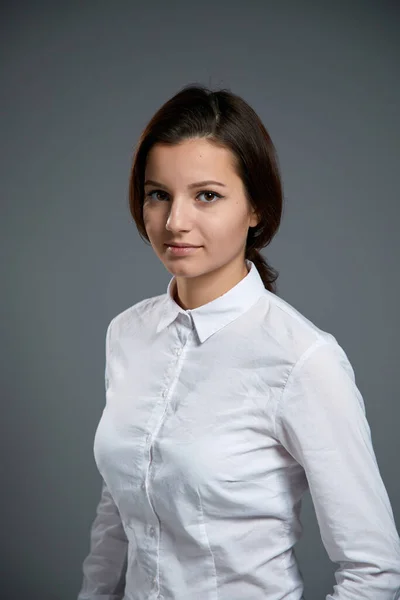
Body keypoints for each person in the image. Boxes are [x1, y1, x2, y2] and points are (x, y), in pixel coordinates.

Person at [77, 85, 400, 600]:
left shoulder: (302, 359)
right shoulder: (127, 334)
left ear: (255, 209)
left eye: (207, 195)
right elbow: (120, 509)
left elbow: (373, 570)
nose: (175, 221)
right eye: (159, 194)